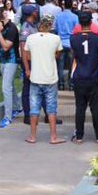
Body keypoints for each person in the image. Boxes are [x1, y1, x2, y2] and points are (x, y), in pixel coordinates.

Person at [22, 15, 64, 144]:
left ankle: (32, 136)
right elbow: (58, 54)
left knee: (34, 109)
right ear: (50, 26)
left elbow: (27, 56)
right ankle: (53, 137)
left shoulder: (31, 38)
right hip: (50, 78)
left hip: (35, 77)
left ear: (39, 25)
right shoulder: (56, 38)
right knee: (51, 109)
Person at [69, 10, 98, 143]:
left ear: (79, 22)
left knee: (80, 107)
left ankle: (79, 136)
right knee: (95, 107)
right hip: (93, 75)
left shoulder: (73, 38)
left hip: (79, 75)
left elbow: (73, 54)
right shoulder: (97, 38)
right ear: (90, 22)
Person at [55, 0, 79, 91]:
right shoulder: (75, 17)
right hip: (71, 43)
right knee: (71, 65)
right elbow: (77, 31)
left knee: (60, 65)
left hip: (60, 42)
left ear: (63, 5)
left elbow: (56, 29)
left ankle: (61, 84)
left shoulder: (58, 16)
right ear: (71, 5)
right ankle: (71, 84)